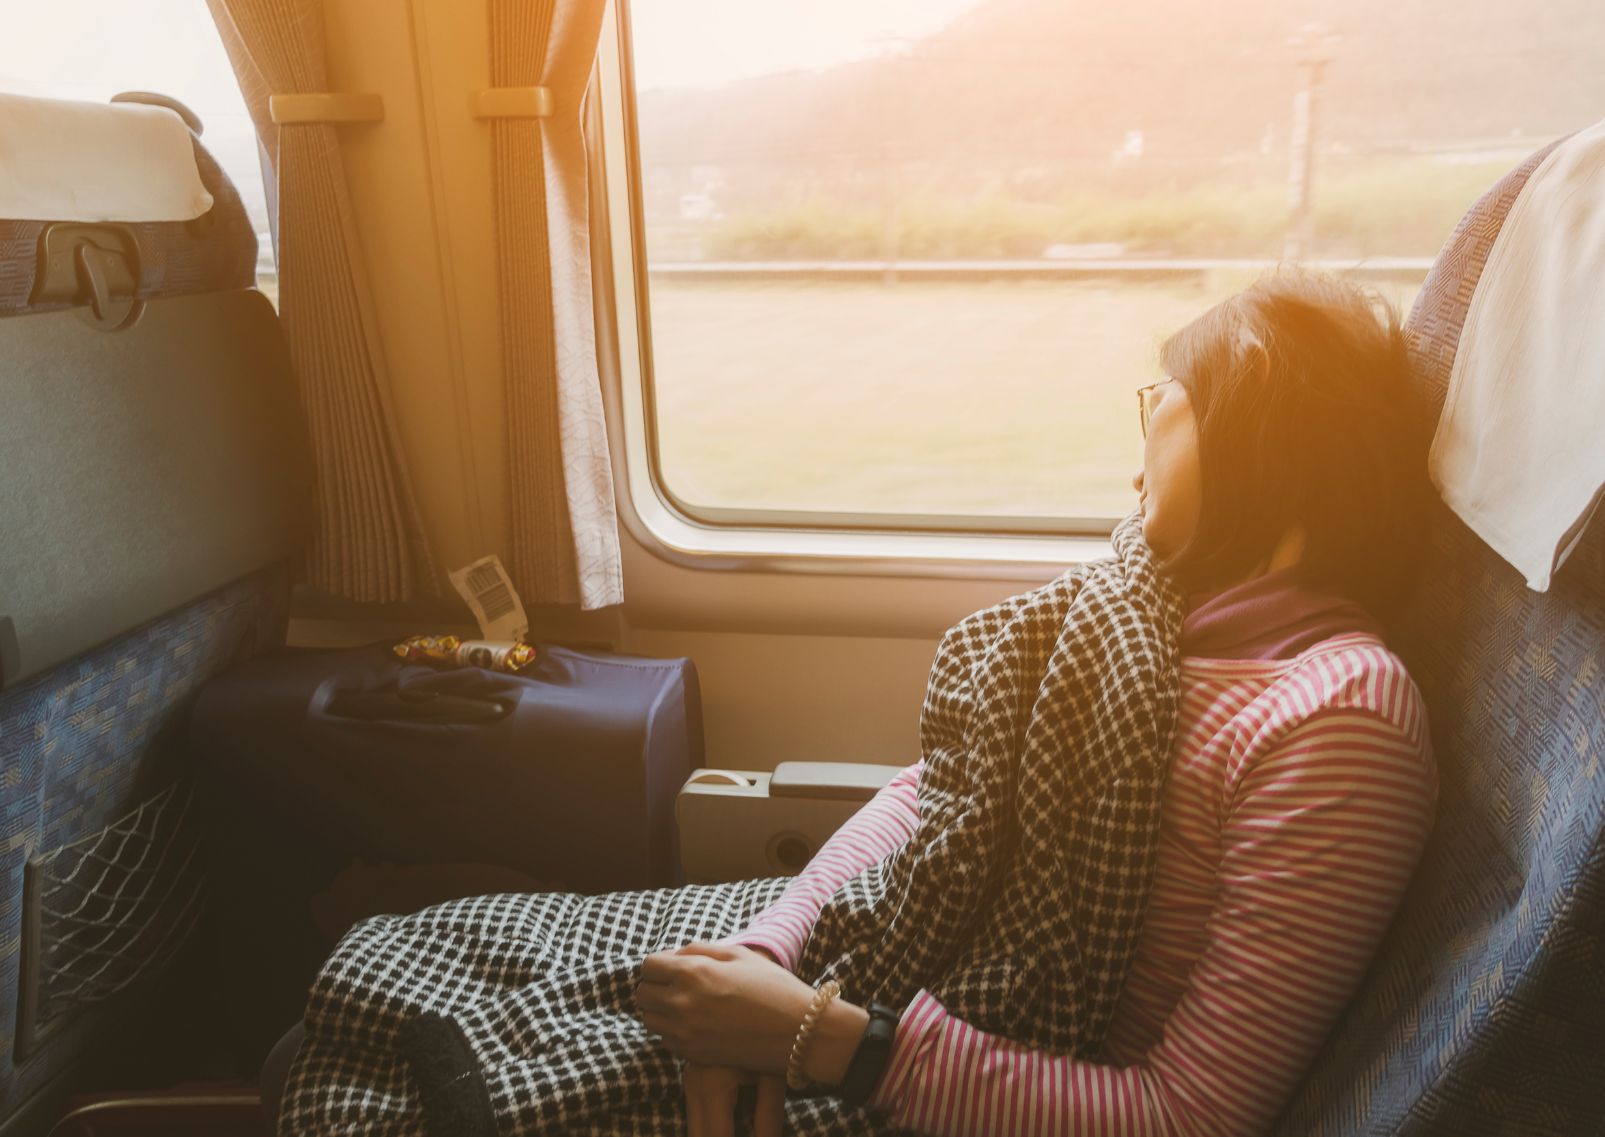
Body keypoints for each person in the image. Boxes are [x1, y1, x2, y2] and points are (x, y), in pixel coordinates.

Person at [629, 269, 1439, 1136]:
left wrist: (818, 1037)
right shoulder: (1143, 611)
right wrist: (766, 950)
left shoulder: (1338, 714)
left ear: (1251, 412)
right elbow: (940, 793)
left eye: (1156, 400)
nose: (1135, 461)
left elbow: (1188, 1117)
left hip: (959, 1075)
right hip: (870, 987)